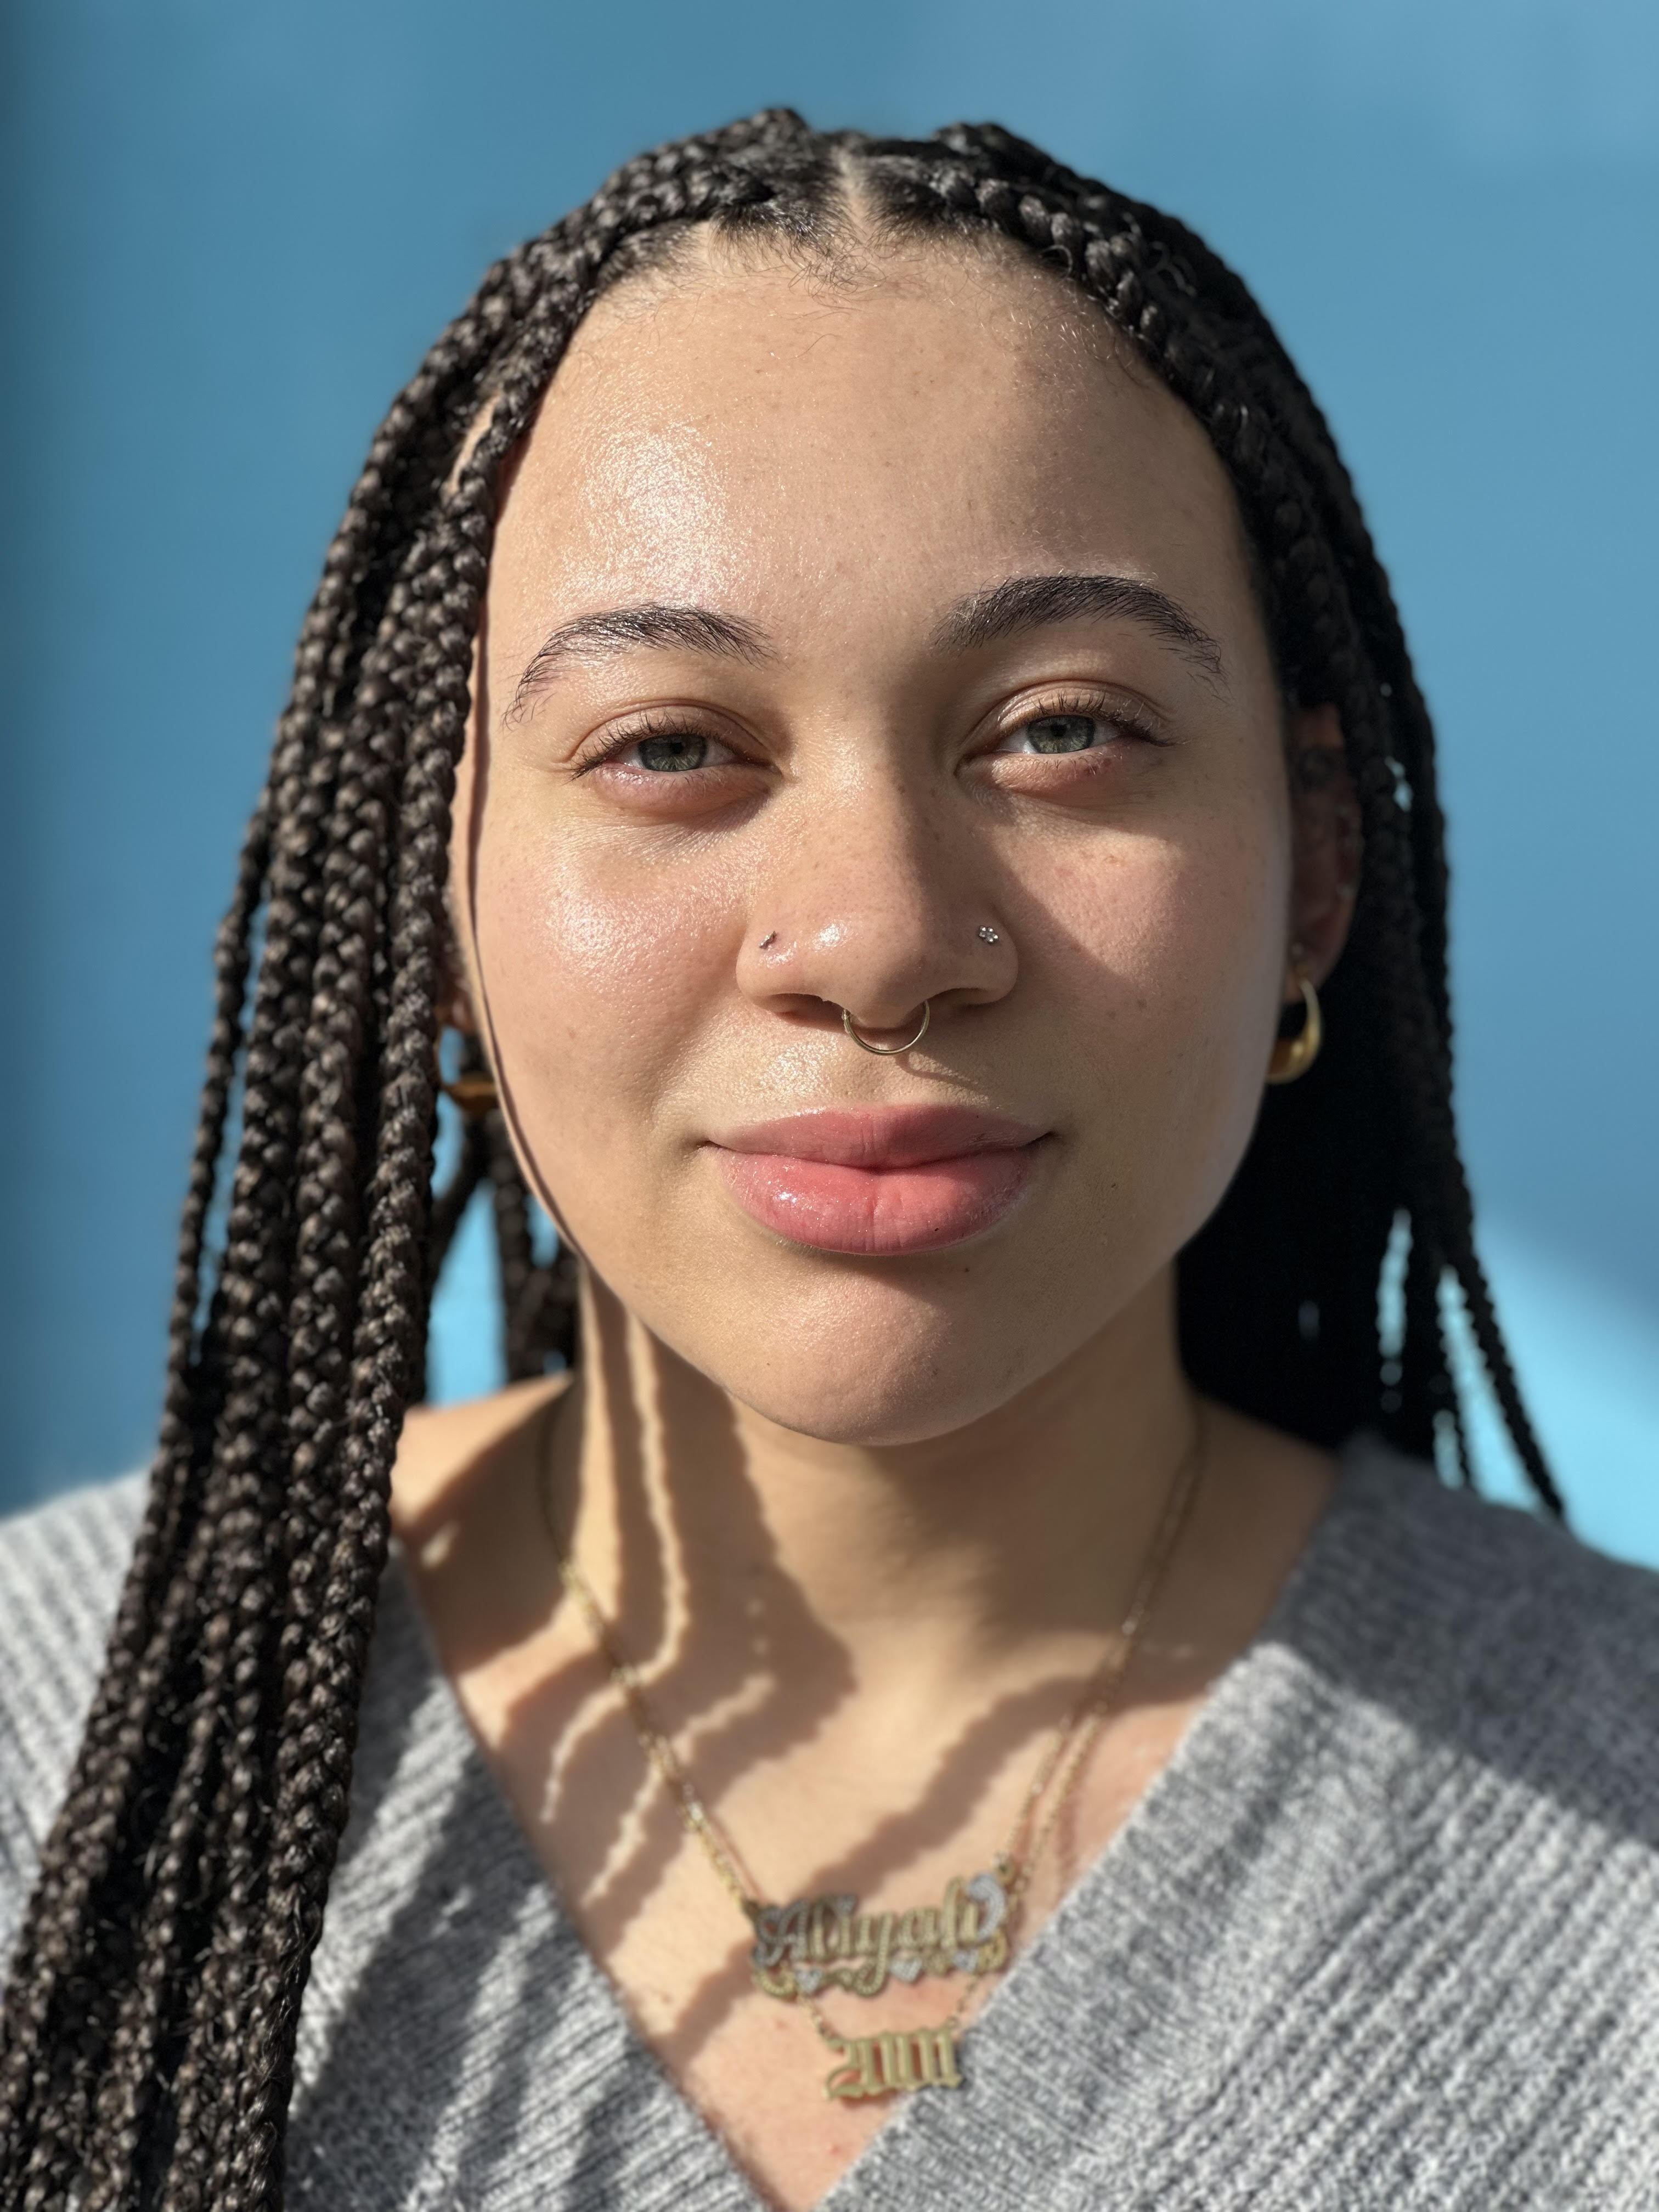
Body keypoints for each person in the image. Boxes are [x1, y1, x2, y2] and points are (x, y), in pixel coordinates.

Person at [2, 110, 1655, 2212]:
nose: (878, 939)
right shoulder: (49, 1752)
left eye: (1061, 728)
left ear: (1317, 869)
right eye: (673, 748)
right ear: (434, 905)